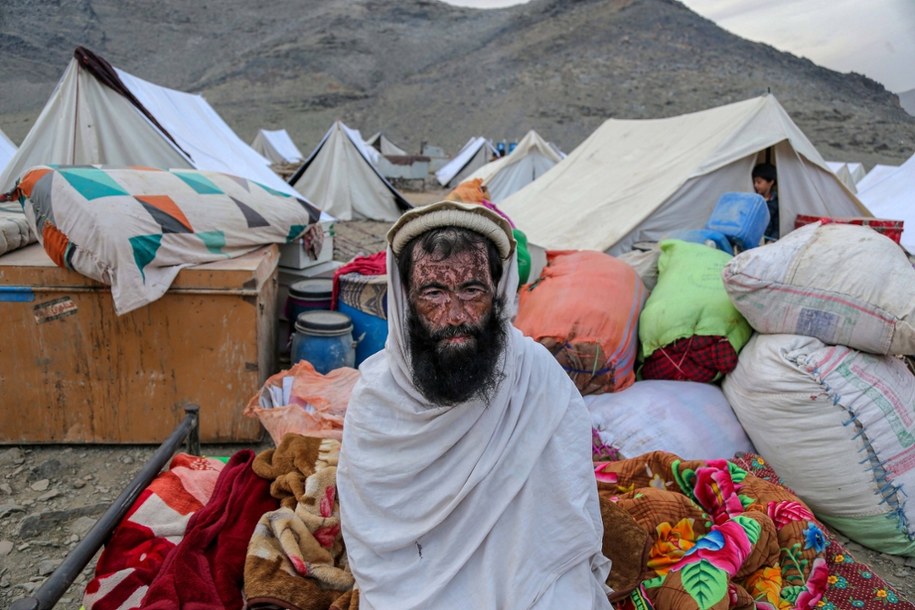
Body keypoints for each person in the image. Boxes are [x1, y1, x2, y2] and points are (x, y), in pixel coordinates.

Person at [337, 201, 612, 609]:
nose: (455, 315)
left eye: (472, 290)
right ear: (405, 300)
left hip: (528, 578)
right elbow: (374, 545)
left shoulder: (534, 376)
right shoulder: (377, 399)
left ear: (498, 294)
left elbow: (565, 521)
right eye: (433, 292)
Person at [752, 162, 779, 240]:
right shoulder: (753, 199)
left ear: (771, 182)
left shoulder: (775, 203)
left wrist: (771, 241)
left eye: (759, 182)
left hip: (766, 241)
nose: (755, 185)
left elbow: (777, 227)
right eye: (754, 182)